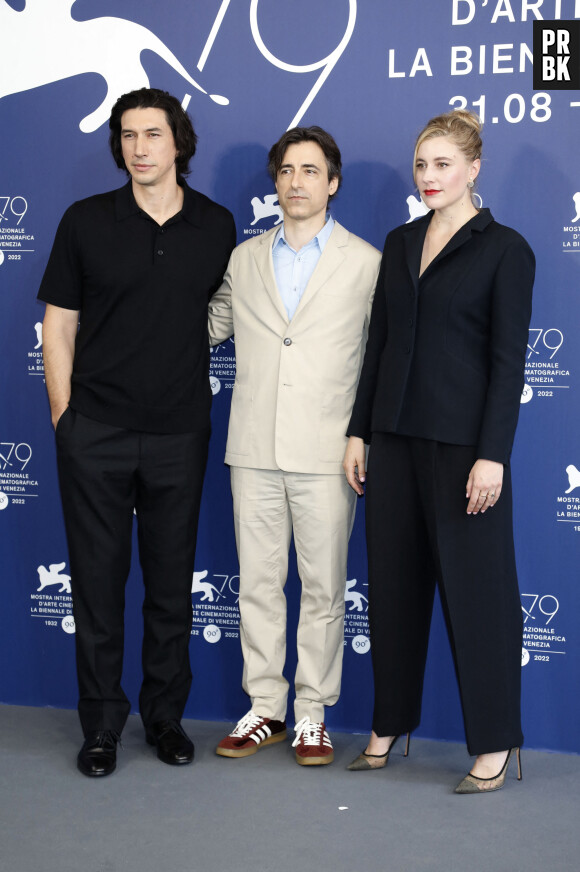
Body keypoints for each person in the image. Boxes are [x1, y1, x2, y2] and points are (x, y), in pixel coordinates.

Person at [38, 88, 236, 777]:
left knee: (170, 586)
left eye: (153, 133)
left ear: (178, 142)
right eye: (128, 134)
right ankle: (100, 727)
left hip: (181, 432)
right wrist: (65, 417)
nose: (139, 146)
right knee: (96, 585)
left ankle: (164, 718)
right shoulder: (86, 220)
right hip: (94, 430)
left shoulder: (216, 225)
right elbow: (58, 324)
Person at [343, 110, 534, 793]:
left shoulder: (505, 248)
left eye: (443, 164)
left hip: (463, 450)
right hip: (392, 441)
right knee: (392, 593)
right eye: (421, 165)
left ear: (474, 168)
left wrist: (493, 455)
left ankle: (495, 745)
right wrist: (360, 431)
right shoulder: (399, 243)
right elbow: (381, 346)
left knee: (478, 598)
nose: (429, 177)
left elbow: (508, 362)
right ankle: (388, 727)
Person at [208, 126, 380, 765]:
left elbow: (381, 357)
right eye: (286, 171)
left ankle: (312, 713)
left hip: (328, 452)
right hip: (251, 445)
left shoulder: (366, 262)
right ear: (274, 181)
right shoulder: (243, 258)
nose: (296, 182)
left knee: (322, 587)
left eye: (310, 171)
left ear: (331, 183)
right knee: (256, 583)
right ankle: (265, 709)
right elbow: (208, 326)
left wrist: (361, 436)